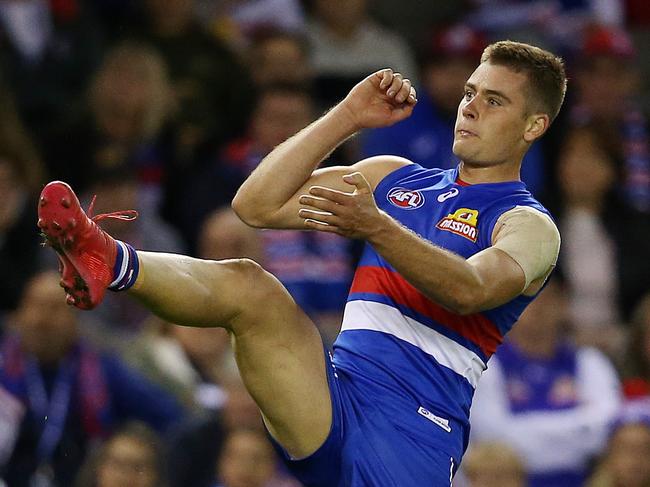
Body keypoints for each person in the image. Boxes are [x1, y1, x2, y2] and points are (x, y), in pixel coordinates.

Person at [38, 40, 566, 485]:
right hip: (332, 395)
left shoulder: (527, 225)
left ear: (533, 125)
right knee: (249, 286)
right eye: (470, 92)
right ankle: (108, 257)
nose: (470, 107)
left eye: (494, 101)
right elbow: (256, 205)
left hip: (413, 436)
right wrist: (346, 117)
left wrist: (377, 227)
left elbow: (472, 289)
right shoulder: (393, 178)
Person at [470, 279, 621, 487]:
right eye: (528, 300)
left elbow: (606, 427)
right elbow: (494, 437)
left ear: (564, 305)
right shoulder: (487, 366)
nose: (537, 308)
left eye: (546, 299)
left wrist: (525, 428)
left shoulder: (589, 362)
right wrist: (576, 428)